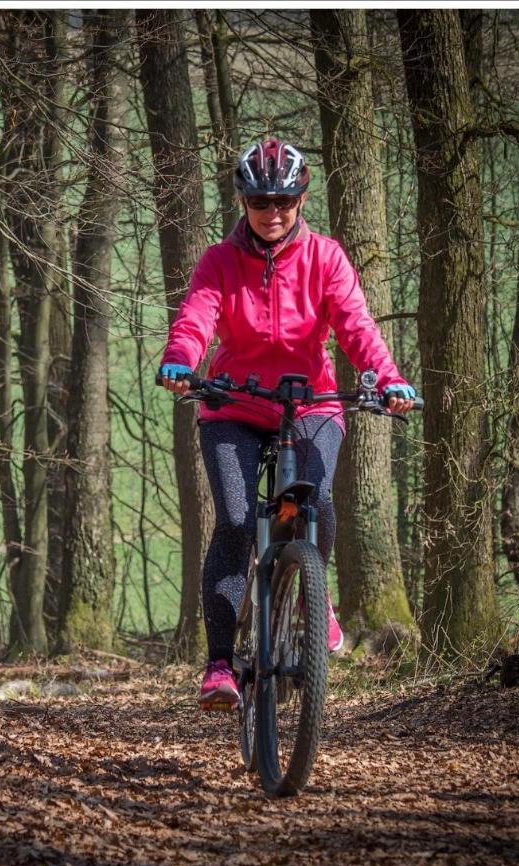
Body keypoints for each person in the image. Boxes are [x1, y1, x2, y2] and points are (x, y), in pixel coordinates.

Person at [158, 138, 416, 711]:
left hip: (311, 401)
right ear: (243, 202)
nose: (273, 214)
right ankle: (221, 665)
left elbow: (355, 326)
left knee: (314, 501)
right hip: (233, 403)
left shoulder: (326, 257)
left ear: (301, 198)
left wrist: (387, 377)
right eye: (260, 202)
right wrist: (182, 361)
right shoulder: (219, 261)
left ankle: (314, 597)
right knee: (231, 520)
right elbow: (196, 317)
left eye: (284, 202)